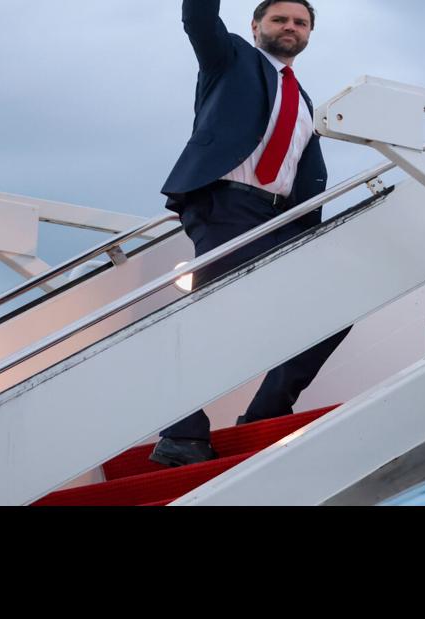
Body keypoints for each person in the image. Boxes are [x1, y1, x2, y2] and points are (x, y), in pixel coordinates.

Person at [149, 0, 349, 467]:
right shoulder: (230, 58)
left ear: (309, 33)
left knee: (339, 303)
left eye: (300, 22)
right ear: (256, 25)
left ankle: (265, 413)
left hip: (282, 219)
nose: (290, 27)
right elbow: (198, 19)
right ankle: (180, 434)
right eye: (279, 19)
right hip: (228, 206)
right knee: (216, 316)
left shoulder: (304, 100)